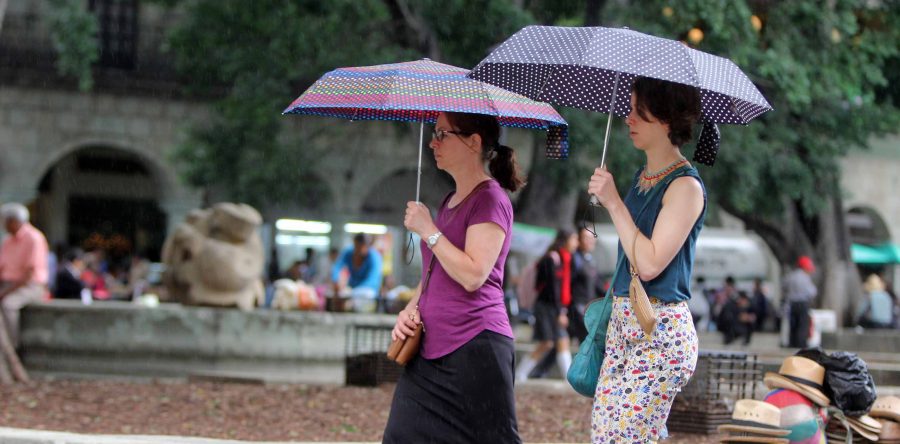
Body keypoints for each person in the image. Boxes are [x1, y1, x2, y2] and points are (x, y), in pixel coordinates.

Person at [383, 111, 523, 443]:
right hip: (431, 349)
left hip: (477, 346)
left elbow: (474, 274)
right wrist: (410, 310)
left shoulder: (491, 199)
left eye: (443, 134)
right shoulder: (449, 201)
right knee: (401, 436)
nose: (433, 142)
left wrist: (429, 230)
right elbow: (435, 273)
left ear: (473, 142)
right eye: (434, 133)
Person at [586, 77, 705, 443]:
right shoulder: (643, 177)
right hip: (624, 324)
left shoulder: (686, 187)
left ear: (666, 119)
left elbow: (651, 263)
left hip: (660, 330)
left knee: (620, 437)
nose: (628, 118)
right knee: (606, 434)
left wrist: (613, 202)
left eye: (639, 111)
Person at [515, 229, 577, 382]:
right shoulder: (552, 259)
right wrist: (560, 312)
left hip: (552, 307)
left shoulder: (565, 260)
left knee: (561, 340)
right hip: (545, 307)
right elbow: (551, 289)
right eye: (574, 239)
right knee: (547, 343)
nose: (576, 243)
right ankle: (519, 374)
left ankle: (569, 379)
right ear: (565, 240)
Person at [0, 203, 49, 346]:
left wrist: (4, 292)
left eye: (5, 221)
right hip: (8, 284)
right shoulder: (7, 240)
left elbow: (29, 274)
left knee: (8, 305)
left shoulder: (34, 238)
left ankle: (11, 346)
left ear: (14, 221)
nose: (3, 225)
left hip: (30, 286)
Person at [330, 233, 382, 313]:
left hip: (367, 290)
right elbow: (337, 266)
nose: (358, 250)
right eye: (357, 246)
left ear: (368, 246)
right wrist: (336, 280)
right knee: (338, 296)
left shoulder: (374, 257)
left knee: (363, 297)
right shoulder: (349, 252)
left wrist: (353, 294)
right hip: (352, 289)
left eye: (362, 246)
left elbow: (373, 281)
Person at [569, 227, 602, 343]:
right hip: (577, 308)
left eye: (592, 238)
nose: (590, 241)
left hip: (588, 307)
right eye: (586, 238)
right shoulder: (574, 258)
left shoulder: (591, 259)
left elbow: (598, 285)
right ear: (579, 239)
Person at [783, 255, 817, 348]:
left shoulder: (791, 276)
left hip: (792, 304)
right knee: (802, 326)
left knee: (793, 325)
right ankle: (801, 345)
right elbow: (812, 292)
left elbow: (784, 287)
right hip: (803, 304)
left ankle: (792, 343)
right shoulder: (805, 277)